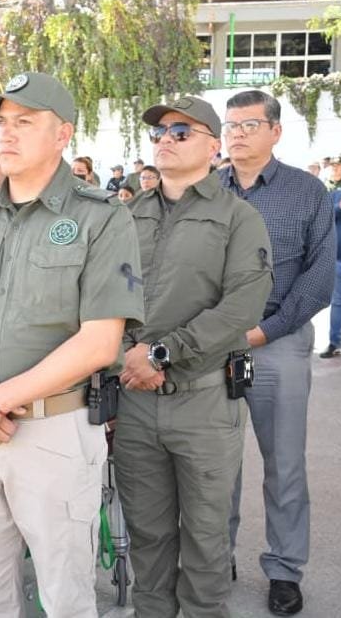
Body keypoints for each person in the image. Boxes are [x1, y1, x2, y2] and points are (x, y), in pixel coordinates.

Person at [0, 72, 144, 617]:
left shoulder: (100, 216)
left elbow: (99, 342)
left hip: (53, 432)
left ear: (63, 133)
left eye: (26, 122)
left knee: (65, 594)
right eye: (2, 123)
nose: (7, 134)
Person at [116, 95, 273, 617]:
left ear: (212, 144)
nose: (165, 139)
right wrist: (126, 357)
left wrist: (161, 353)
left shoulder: (237, 216)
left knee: (206, 542)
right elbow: (97, 298)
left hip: (204, 403)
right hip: (136, 402)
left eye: (181, 132)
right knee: (148, 536)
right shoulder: (127, 214)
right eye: (159, 132)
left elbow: (242, 306)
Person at [220, 90, 336, 616]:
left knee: (283, 464)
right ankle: (216, 558)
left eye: (247, 124)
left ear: (275, 132)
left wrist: (264, 332)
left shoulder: (307, 191)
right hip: (211, 346)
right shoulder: (205, 190)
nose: (236, 133)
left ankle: (285, 568)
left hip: (279, 343)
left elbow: (317, 279)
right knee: (214, 464)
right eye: (229, 125)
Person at [323, 177, 341, 358]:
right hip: (340, 261)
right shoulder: (337, 194)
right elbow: (325, 217)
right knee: (338, 304)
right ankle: (334, 343)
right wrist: (340, 206)